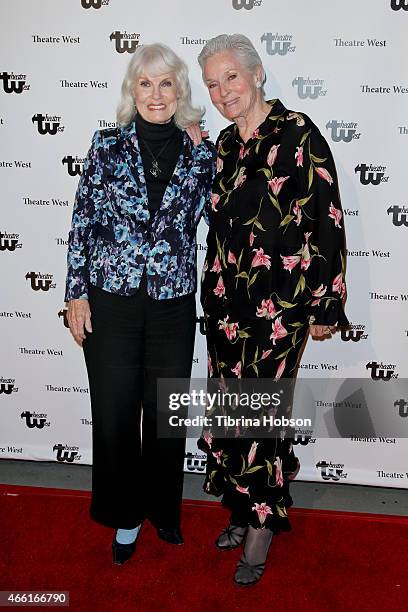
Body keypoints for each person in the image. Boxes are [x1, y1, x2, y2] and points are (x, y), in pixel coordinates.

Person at [197, 34, 349, 586]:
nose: (222, 92)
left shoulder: (299, 133)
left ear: (257, 74)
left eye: (230, 78)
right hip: (223, 305)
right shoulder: (219, 146)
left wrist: (327, 298)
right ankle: (242, 505)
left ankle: (261, 524)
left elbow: (327, 219)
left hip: (279, 307)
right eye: (212, 84)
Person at [65, 42, 216, 565]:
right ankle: (124, 516)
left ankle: (163, 511)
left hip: (174, 303)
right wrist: (75, 292)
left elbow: (224, 218)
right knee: (114, 413)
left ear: (180, 92)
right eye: (146, 83)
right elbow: (83, 221)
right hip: (112, 301)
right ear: (134, 90)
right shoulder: (105, 146)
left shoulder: (204, 153)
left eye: (166, 83)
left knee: (166, 413)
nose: (156, 94)